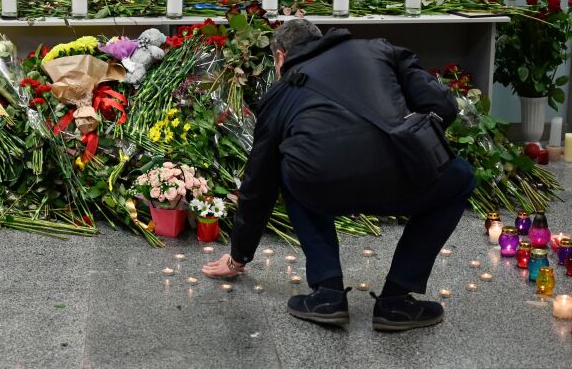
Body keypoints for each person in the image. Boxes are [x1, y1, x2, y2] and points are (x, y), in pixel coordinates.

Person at [202, 19, 474, 332]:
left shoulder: (279, 96)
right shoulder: (381, 49)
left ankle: (327, 293)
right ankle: (397, 299)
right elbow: (443, 106)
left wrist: (239, 257)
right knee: (460, 178)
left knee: (289, 167)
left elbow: (257, 185)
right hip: (402, 178)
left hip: (323, 187)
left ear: (280, 56)